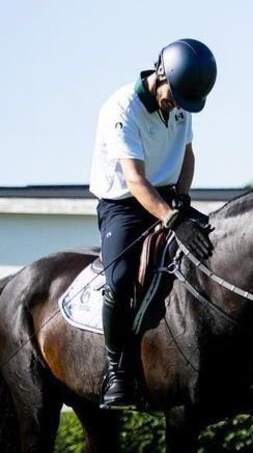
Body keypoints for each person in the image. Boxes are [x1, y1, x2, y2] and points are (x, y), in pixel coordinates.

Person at [89, 39, 217, 409]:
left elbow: (188, 154)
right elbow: (135, 180)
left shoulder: (182, 98)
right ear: (160, 73)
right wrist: (172, 218)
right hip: (124, 205)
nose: (178, 106)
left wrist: (182, 197)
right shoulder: (121, 108)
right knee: (121, 278)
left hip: (166, 195)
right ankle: (116, 370)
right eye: (173, 97)